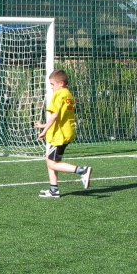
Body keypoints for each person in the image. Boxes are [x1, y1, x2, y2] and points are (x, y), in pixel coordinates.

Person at [33, 69, 92, 198]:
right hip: (67, 131)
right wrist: (43, 125)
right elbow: (61, 116)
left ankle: (82, 170)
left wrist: (44, 131)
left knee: (51, 163)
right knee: (50, 160)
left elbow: (54, 115)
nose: (51, 87)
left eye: (52, 84)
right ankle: (53, 190)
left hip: (59, 134)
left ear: (61, 83)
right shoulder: (68, 94)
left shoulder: (58, 94)